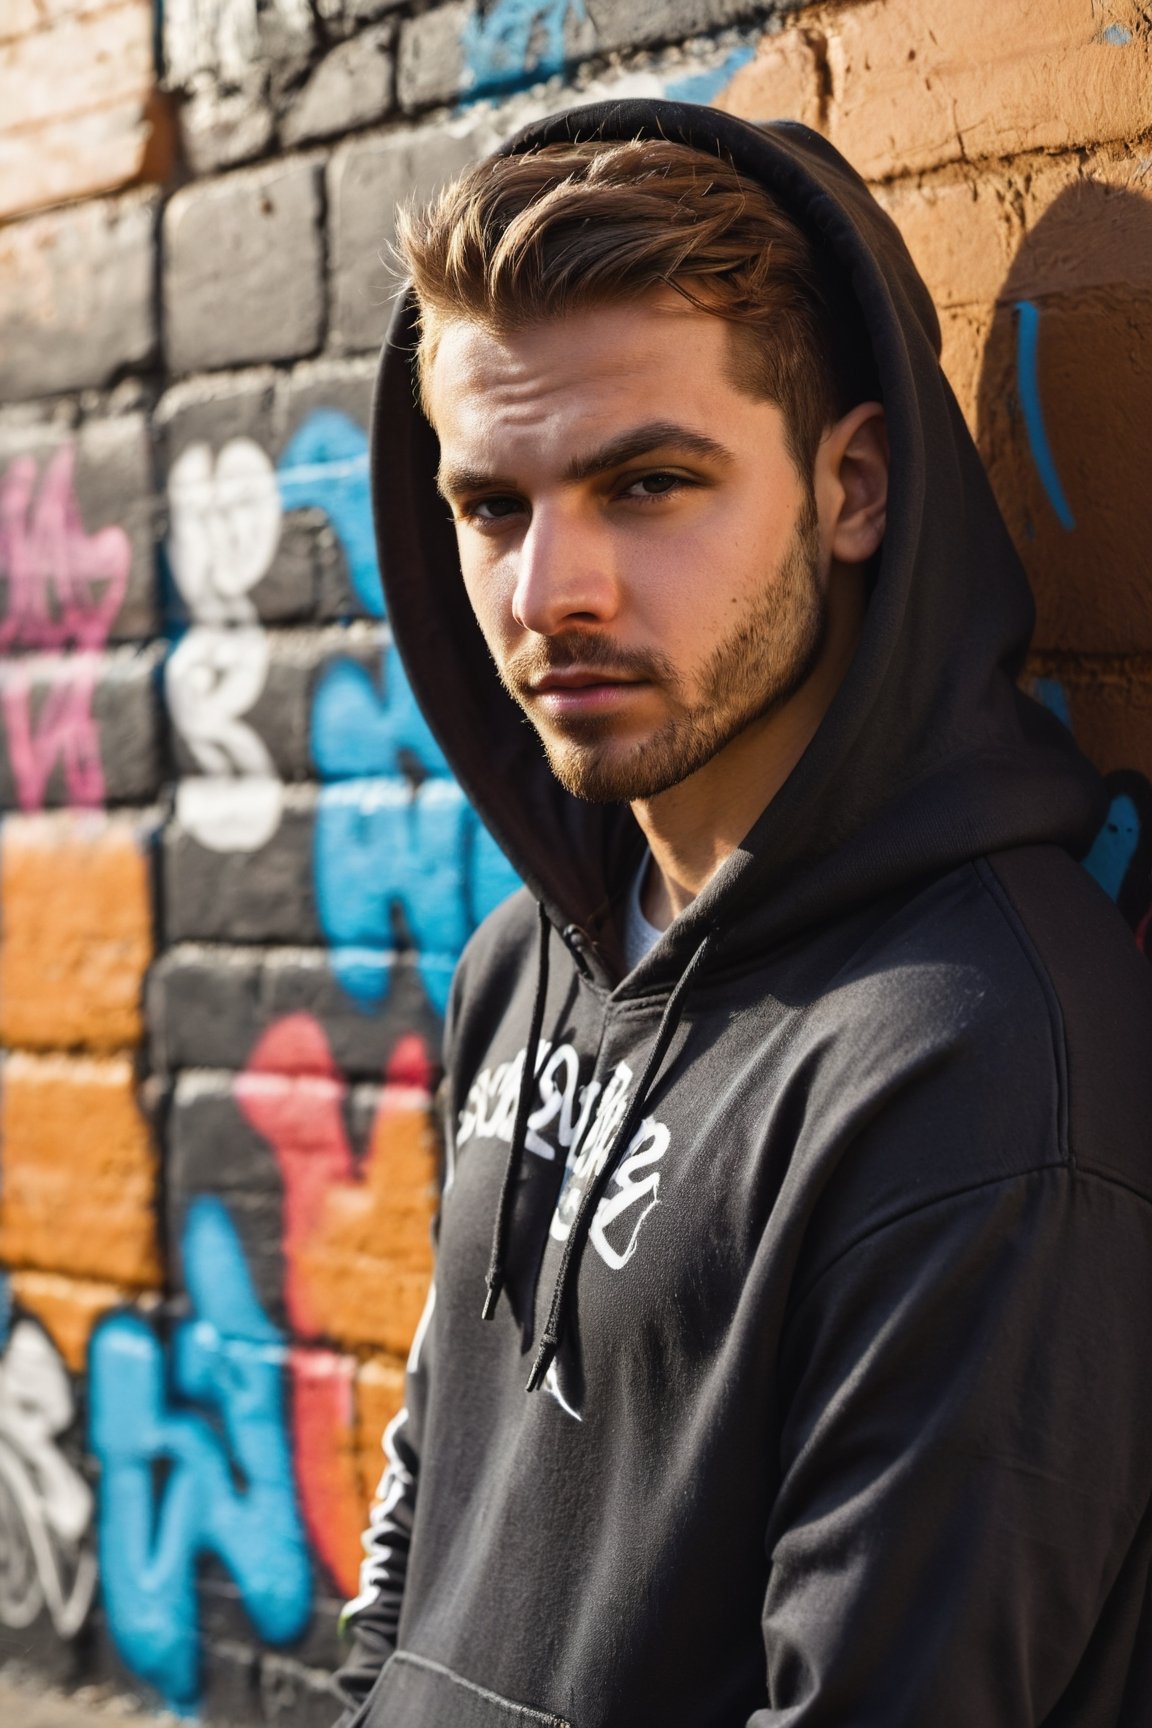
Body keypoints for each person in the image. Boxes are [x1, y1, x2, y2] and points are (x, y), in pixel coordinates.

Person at [332, 101, 1152, 1727]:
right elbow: (426, 1506)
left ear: (854, 487)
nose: (548, 588)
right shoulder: (520, 964)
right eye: (493, 506)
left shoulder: (980, 1060)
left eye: (646, 484)